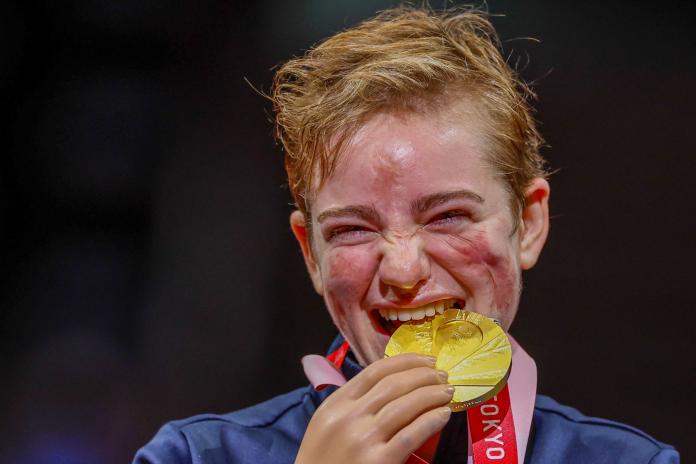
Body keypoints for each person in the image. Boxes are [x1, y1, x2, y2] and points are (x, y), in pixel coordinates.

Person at [133, 6, 679, 463]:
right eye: (351, 228)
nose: (402, 271)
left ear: (529, 224)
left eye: (447, 217)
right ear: (311, 254)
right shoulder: (193, 455)